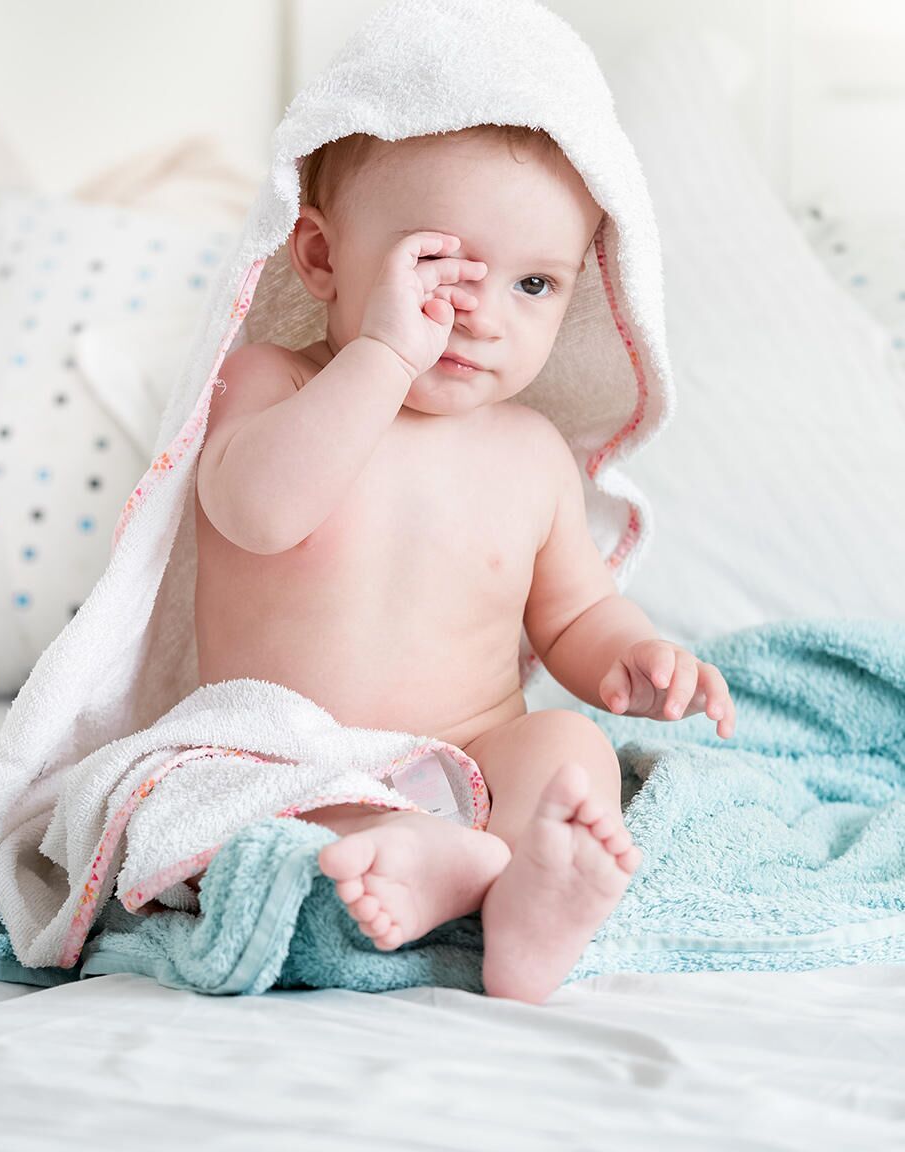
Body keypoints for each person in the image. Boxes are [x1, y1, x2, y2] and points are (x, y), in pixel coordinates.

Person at [192, 124, 737, 1004]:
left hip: (469, 761)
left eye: (533, 284)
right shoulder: (277, 385)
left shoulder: (531, 452)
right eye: (440, 270)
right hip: (289, 757)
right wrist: (381, 354)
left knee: (565, 744)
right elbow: (256, 513)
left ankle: (527, 896)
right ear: (324, 257)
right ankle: (435, 861)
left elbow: (574, 618)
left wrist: (632, 657)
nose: (483, 313)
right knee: (244, 818)